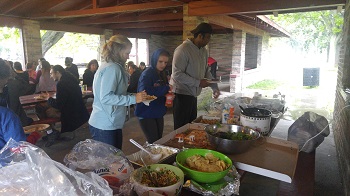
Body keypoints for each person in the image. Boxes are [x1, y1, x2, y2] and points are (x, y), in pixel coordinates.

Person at [88, 34, 148, 150]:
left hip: (109, 122)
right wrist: (134, 99)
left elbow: (117, 93)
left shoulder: (109, 66)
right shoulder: (112, 68)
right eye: (127, 53)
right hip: (105, 124)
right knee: (108, 165)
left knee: (114, 162)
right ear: (118, 51)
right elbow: (106, 97)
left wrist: (135, 96)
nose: (128, 56)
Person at [170, 23, 220, 129]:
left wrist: (214, 86)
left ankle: (190, 145)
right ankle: (180, 146)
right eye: (208, 37)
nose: (209, 40)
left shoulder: (203, 51)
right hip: (181, 95)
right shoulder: (183, 49)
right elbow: (177, 74)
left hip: (193, 96)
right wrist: (198, 82)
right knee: (181, 128)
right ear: (200, 36)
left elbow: (206, 70)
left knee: (192, 125)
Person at [135, 49, 171, 143]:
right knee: (153, 142)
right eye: (160, 61)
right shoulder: (147, 74)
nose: (163, 65)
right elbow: (144, 92)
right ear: (154, 60)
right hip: (146, 113)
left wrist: (168, 95)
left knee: (159, 140)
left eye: (165, 62)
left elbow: (161, 91)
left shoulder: (162, 73)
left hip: (158, 111)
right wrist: (166, 89)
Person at [47, 65, 90, 146]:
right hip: (79, 111)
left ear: (57, 72)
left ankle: (51, 132)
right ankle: (52, 132)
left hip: (71, 114)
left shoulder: (61, 84)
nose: (51, 76)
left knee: (46, 112)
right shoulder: (71, 79)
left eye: (51, 73)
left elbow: (59, 105)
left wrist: (48, 98)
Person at [0, 59, 34, 126]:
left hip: (15, 122)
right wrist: (15, 75)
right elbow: (28, 88)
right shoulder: (13, 85)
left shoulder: (12, 85)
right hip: (14, 123)